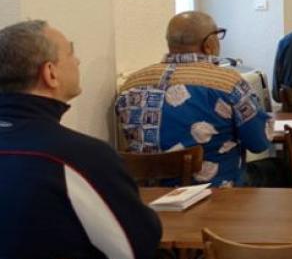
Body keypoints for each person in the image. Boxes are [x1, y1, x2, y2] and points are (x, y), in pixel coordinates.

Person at [0, 20, 170, 259]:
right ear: (50, 73)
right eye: (72, 53)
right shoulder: (78, 156)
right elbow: (132, 253)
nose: (77, 62)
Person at [116, 11, 271, 186]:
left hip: (148, 198)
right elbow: (259, 143)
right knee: (275, 170)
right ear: (209, 44)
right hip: (217, 194)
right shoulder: (229, 84)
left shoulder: (130, 85)